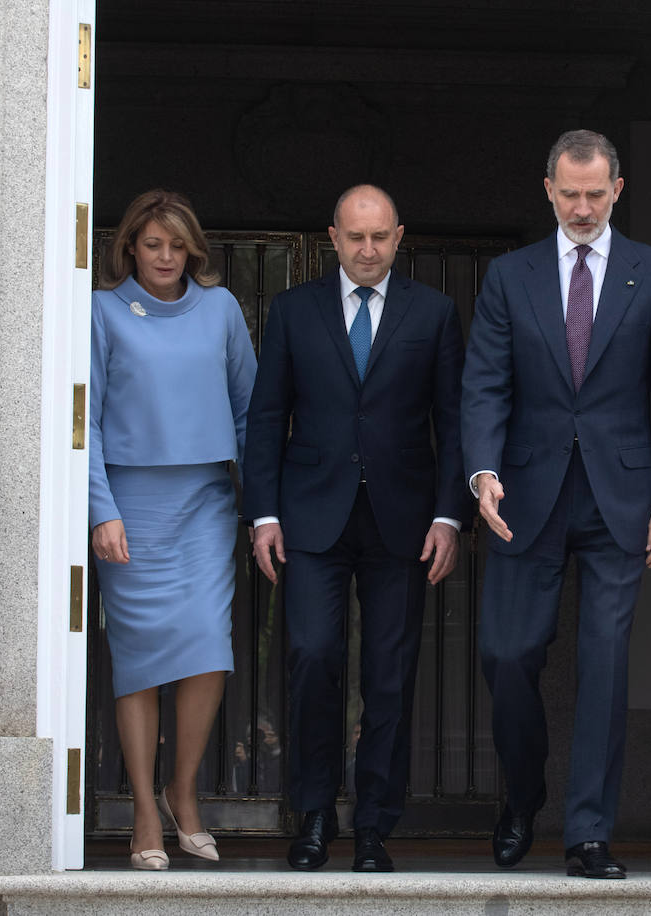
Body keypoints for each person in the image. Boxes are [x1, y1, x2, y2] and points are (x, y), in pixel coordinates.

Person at [460, 130, 651, 879]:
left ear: (617, 189)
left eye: (597, 194)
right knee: (506, 653)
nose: (584, 207)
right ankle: (523, 795)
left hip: (620, 498)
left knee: (603, 665)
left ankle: (589, 834)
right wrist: (482, 470)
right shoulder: (509, 275)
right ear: (548, 189)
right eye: (571, 194)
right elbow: (486, 383)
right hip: (524, 496)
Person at [243, 184, 468, 873]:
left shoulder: (433, 313)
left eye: (380, 237)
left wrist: (448, 514)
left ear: (399, 237)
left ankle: (373, 825)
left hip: (403, 521)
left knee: (391, 677)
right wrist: (264, 513)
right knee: (312, 659)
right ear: (334, 238)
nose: (367, 249)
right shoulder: (293, 311)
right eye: (355, 237)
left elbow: (454, 422)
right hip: (311, 517)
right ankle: (312, 816)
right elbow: (264, 416)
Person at [89, 189, 257, 870]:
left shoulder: (220, 310)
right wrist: (102, 509)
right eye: (152, 244)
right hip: (131, 504)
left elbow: (250, 410)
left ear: (193, 249)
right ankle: (142, 811)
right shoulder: (102, 311)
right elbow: (87, 421)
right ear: (131, 246)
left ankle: (181, 792)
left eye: (176, 245)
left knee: (206, 645)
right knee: (139, 659)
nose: (164, 257)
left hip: (206, 503)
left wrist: (260, 506)